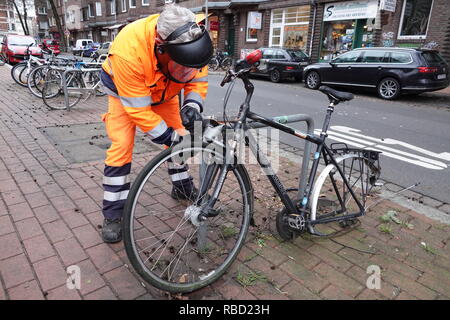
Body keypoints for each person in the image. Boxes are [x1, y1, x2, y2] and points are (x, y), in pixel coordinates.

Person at [99, 4, 213, 243]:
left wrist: (192, 106)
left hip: (164, 91)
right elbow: (139, 111)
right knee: (122, 147)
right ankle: (113, 214)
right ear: (161, 46)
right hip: (125, 94)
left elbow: (198, 76)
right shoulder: (128, 50)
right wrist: (169, 137)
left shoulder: (194, 36)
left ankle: (181, 186)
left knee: (179, 136)